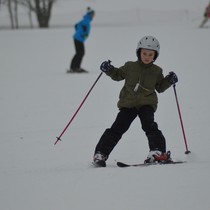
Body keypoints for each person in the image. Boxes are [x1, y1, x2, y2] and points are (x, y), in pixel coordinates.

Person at [93, 36, 178, 167]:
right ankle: (101, 153)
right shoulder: (129, 66)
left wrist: (168, 80)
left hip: (146, 104)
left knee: (149, 126)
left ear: (155, 55)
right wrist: (109, 69)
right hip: (128, 104)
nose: (147, 56)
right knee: (117, 128)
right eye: (144, 53)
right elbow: (117, 75)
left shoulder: (156, 71)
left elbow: (160, 87)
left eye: (150, 54)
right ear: (139, 52)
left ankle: (157, 151)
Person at [67, 7, 95, 73]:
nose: (94, 16)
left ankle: (75, 67)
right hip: (78, 38)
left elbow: (76, 25)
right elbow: (79, 26)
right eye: (93, 14)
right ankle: (75, 68)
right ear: (91, 14)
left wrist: (82, 33)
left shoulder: (86, 19)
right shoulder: (86, 20)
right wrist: (83, 34)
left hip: (78, 38)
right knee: (80, 53)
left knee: (80, 53)